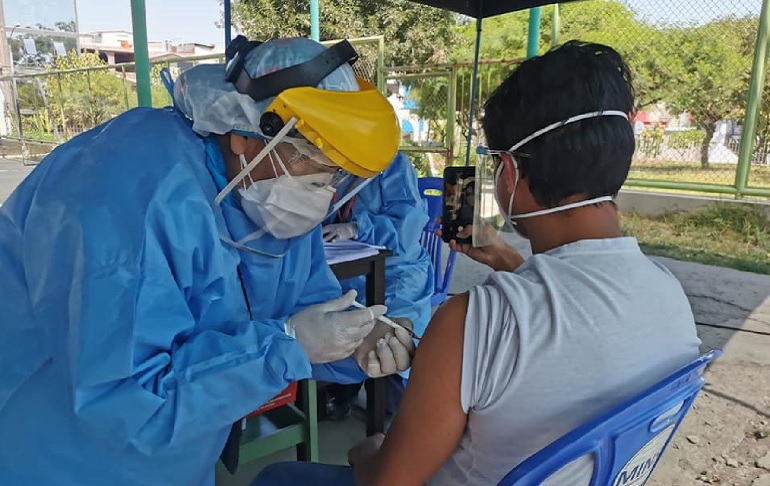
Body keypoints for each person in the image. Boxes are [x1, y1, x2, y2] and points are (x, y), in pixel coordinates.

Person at [251, 40, 701, 486]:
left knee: (280, 476)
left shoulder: (474, 321)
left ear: (509, 171)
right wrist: (508, 261)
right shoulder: (669, 297)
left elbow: (386, 482)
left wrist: (367, 452)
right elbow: (578, 315)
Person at [0, 36, 415, 486]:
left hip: (181, 453)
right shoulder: (128, 196)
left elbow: (302, 306)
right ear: (244, 135)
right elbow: (127, 400)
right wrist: (286, 346)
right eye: (312, 160)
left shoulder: (267, 199)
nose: (325, 188)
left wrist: (356, 337)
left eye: (336, 173)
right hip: (63, 455)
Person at [320, 151, 434, 420]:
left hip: (398, 272)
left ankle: (401, 411)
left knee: (394, 343)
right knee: (334, 332)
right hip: (345, 272)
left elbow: (407, 228)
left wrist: (357, 228)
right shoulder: (325, 159)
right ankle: (342, 391)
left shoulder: (390, 163)